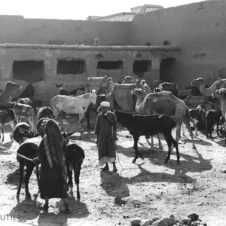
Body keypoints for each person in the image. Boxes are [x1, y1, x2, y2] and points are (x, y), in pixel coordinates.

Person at [34, 119, 70, 213]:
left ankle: (46, 205)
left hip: (47, 168)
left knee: (46, 185)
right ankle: (66, 206)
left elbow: (41, 154)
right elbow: (65, 151)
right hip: (59, 167)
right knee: (61, 186)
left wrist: (37, 159)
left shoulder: (45, 140)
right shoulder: (60, 139)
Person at [95, 101, 117, 172]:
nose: (103, 109)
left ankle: (114, 166)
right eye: (102, 108)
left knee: (111, 150)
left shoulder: (112, 115)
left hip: (109, 136)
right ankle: (106, 166)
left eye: (105, 108)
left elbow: (115, 126)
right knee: (103, 151)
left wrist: (114, 135)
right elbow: (97, 128)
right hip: (101, 137)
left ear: (107, 108)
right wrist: (97, 139)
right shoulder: (99, 116)